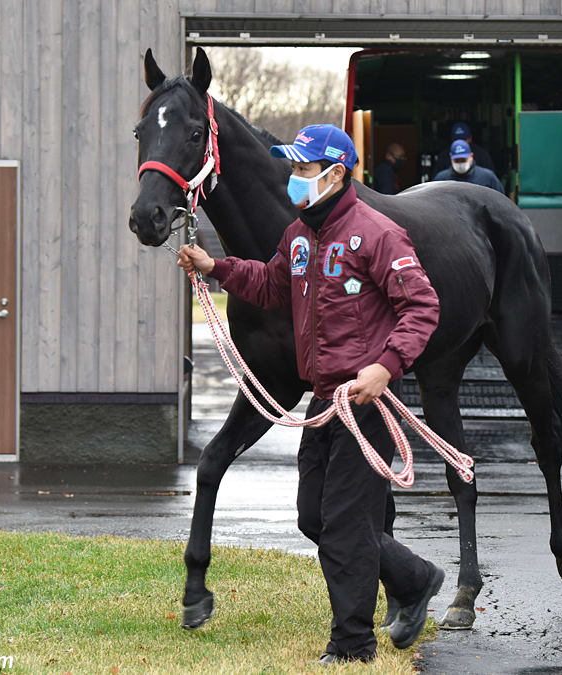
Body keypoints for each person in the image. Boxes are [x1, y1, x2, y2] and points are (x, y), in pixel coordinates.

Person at [177, 124, 445, 665]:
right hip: (324, 403)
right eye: (293, 168)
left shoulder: (378, 233)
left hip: (365, 403)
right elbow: (274, 285)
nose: (293, 178)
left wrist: (385, 368)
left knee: (346, 525)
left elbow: (423, 307)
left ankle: (351, 645)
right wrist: (217, 268)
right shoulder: (298, 236)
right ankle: (415, 579)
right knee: (312, 517)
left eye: (303, 169)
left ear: (335, 174)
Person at [432, 139, 506, 194]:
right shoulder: (440, 180)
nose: (460, 163)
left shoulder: (488, 178)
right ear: (451, 157)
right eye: (457, 160)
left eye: (463, 159)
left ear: (471, 156)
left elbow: (501, 203)